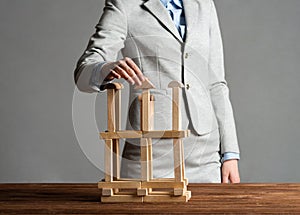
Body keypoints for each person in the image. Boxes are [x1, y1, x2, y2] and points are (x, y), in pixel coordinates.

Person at [74, 0, 240, 183]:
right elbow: (83, 73)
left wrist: (230, 153)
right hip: (150, 154)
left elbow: (216, 83)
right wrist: (105, 68)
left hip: (206, 157)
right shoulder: (125, 4)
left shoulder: (204, 3)